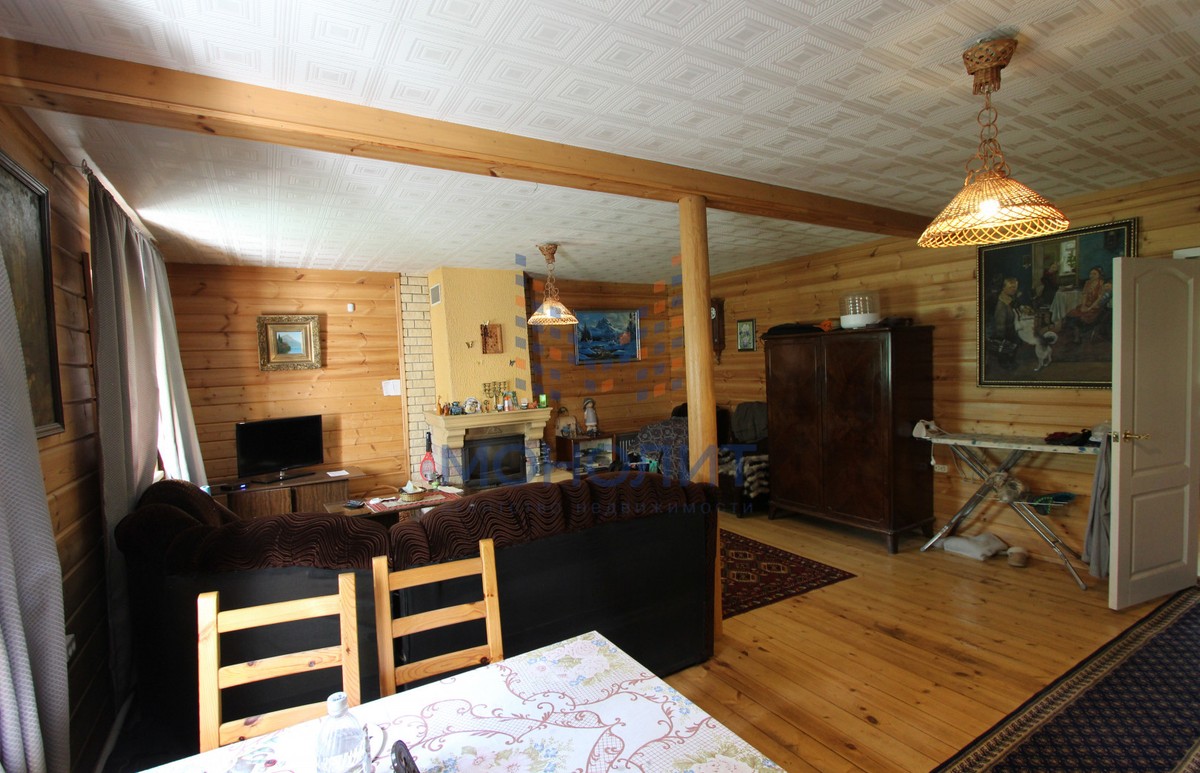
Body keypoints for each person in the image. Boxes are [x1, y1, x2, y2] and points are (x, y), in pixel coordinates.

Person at [989, 276, 1021, 368]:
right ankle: (1005, 363)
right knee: (1005, 349)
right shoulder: (1002, 305)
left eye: (1015, 287)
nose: (1014, 289)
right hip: (1005, 333)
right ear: (1004, 288)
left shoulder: (1009, 300)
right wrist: (1001, 337)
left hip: (1010, 330)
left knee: (1014, 346)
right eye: (1011, 287)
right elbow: (1000, 324)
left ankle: (1010, 361)